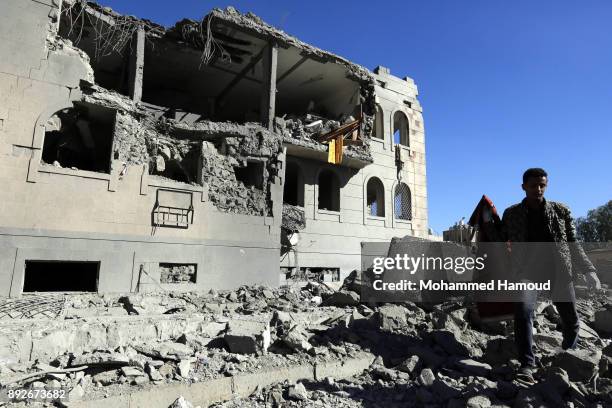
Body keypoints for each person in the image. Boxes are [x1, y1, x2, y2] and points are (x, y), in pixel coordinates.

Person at [501, 168, 601, 381]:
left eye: (542, 185)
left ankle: (567, 354)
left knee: (571, 320)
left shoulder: (561, 211)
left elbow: (573, 243)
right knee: (523, 311)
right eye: (533, 185)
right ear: (523, 187)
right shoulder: (511, 214)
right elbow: (499, 242)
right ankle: (527, 364)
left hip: (559, 272)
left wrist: (590, 270)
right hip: (526, 273)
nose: (538, 189)